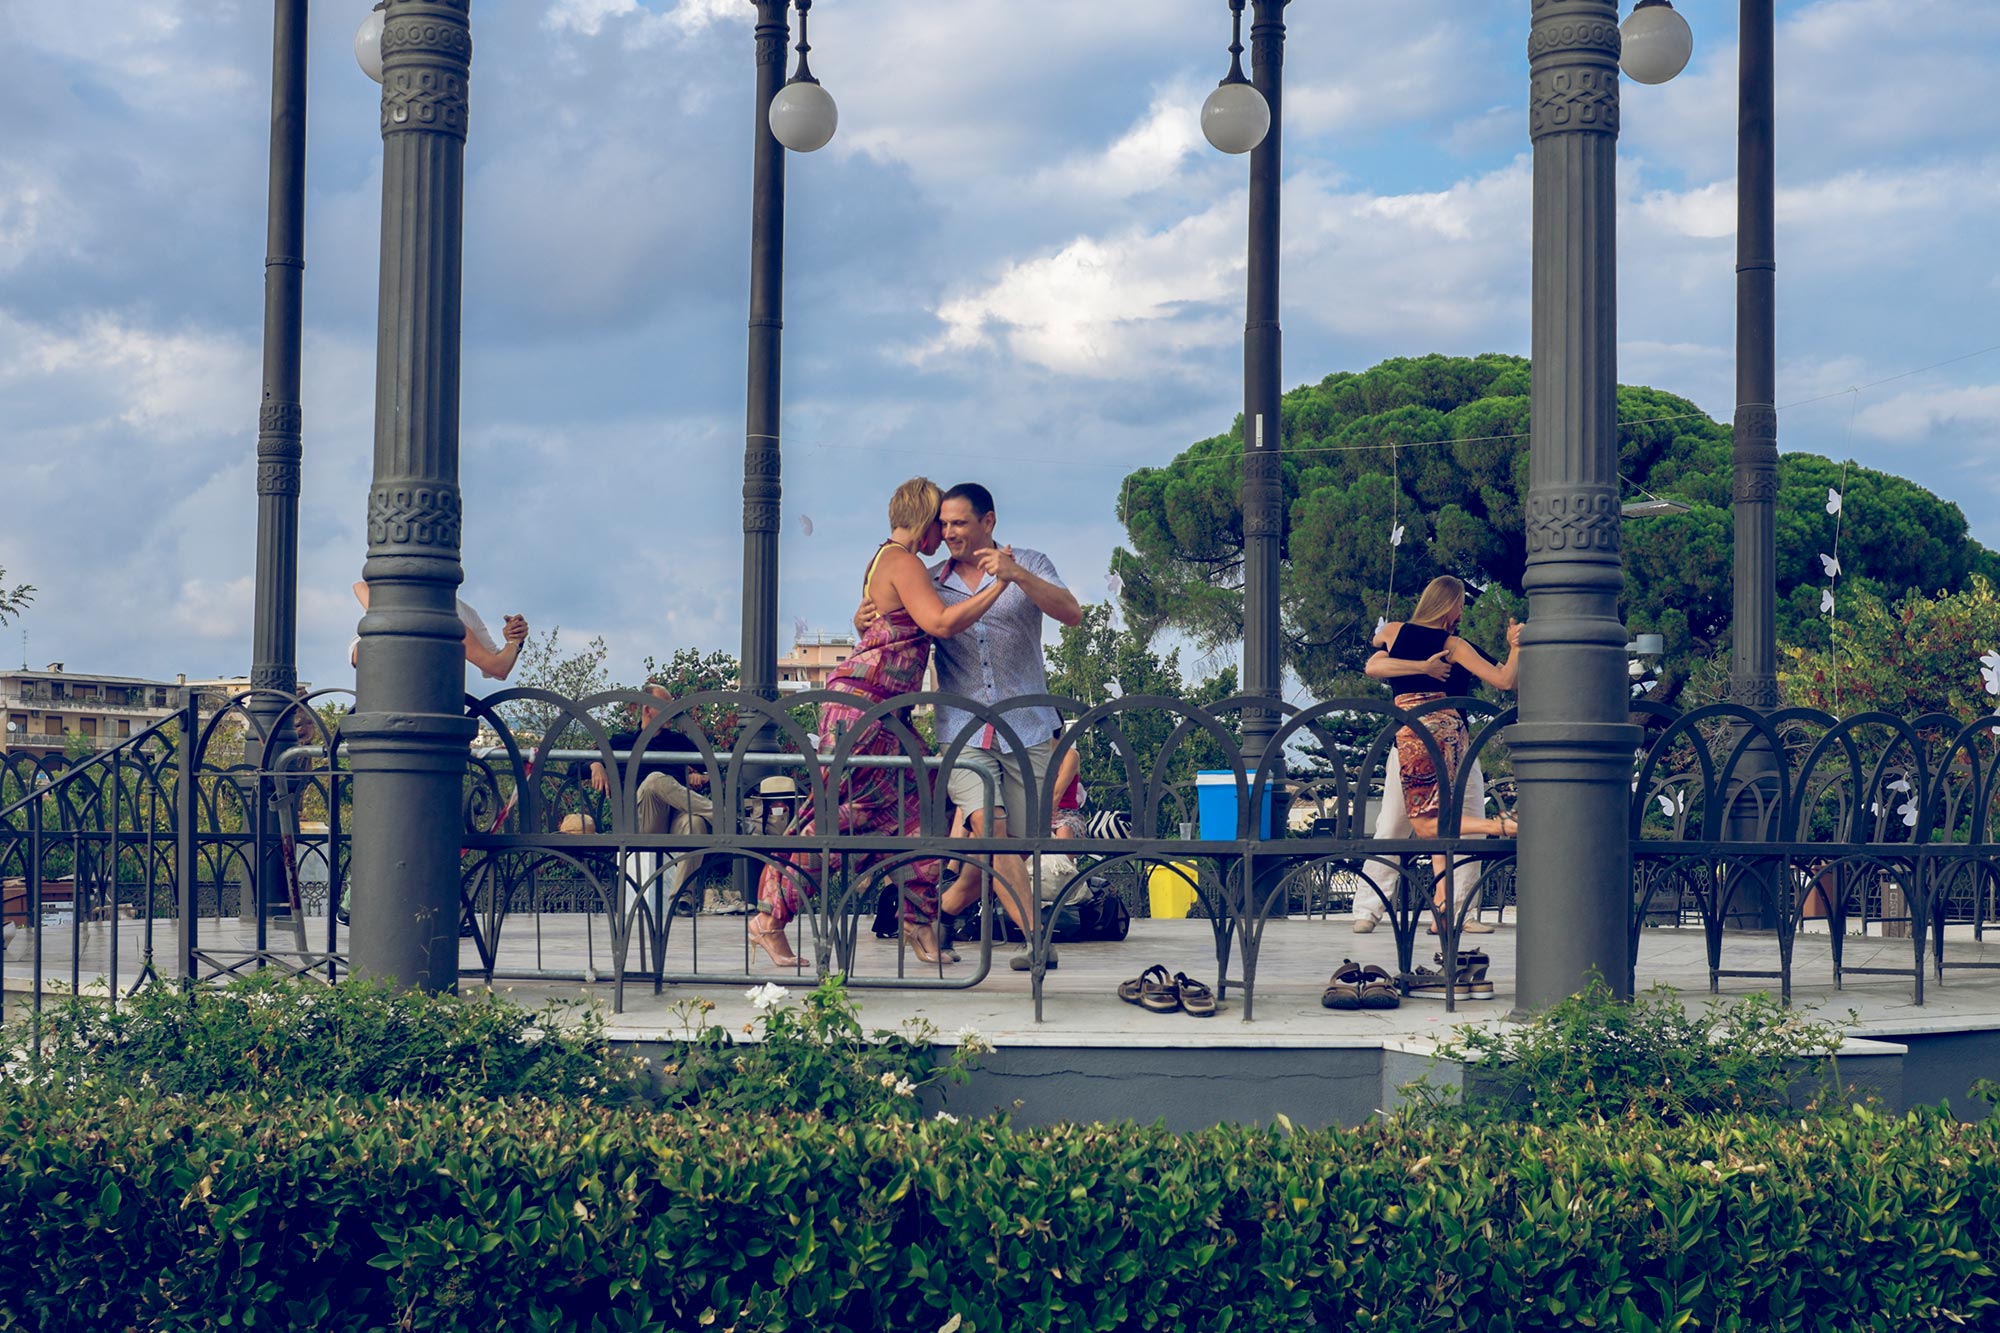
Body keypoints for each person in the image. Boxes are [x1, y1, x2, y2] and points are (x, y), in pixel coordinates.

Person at [750, 478, 1011, 968]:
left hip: (885, 715)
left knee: (922, 811)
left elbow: (886, 624)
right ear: (927, 518)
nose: (947, 534)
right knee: (833, 821)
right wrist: (1001, 584)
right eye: (943, 523)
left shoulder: (886, 560)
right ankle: (768, 918)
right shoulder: (903, 559)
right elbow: (940, 623)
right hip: (862, 712)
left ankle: (919, 922)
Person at [864, 482, 1083, 971]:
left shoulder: (1031, 561)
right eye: (942, 524)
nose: (948, 533)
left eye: (959, 523)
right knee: (992, 832)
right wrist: (864, 618)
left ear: (989, 521)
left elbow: (1072, 614)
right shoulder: (930, 580)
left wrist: (1017, 575)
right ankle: (1036, 941)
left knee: (1018, 844)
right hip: (962, 731)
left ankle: (941, 910)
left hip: (1028, 727)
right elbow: (891, 629)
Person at [1365, 576, 1521, 935]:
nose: (1462, 611)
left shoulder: (1396, 631)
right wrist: (1515, 647)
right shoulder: (1454, 645)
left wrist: (1386, 642)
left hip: (1415, 736)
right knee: (1422, 822)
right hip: (1448, 738)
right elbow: (1505, 680)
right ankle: (1444, 907)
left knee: (1417, 824)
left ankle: (1453, 909)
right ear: (1449, 605)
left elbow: (1375, 655)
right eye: (1461, 604)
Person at [589, 682, 714, 912]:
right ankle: (723, 817)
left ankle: (682, 898)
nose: (672, 712)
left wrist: (701, 778)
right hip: (642, 819)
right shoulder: (622, 742)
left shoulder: (679, 743)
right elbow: (575, 764)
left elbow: (713, 770)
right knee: (655, 779)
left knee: (695, 823)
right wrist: (595, 763)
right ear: (648, 709)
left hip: (675, 817)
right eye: (665, 705)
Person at [348, 581, 527, 680]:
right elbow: (360, 587)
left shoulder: (464, 617)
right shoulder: (456, 622)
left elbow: (497, 667)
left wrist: (514, 641)